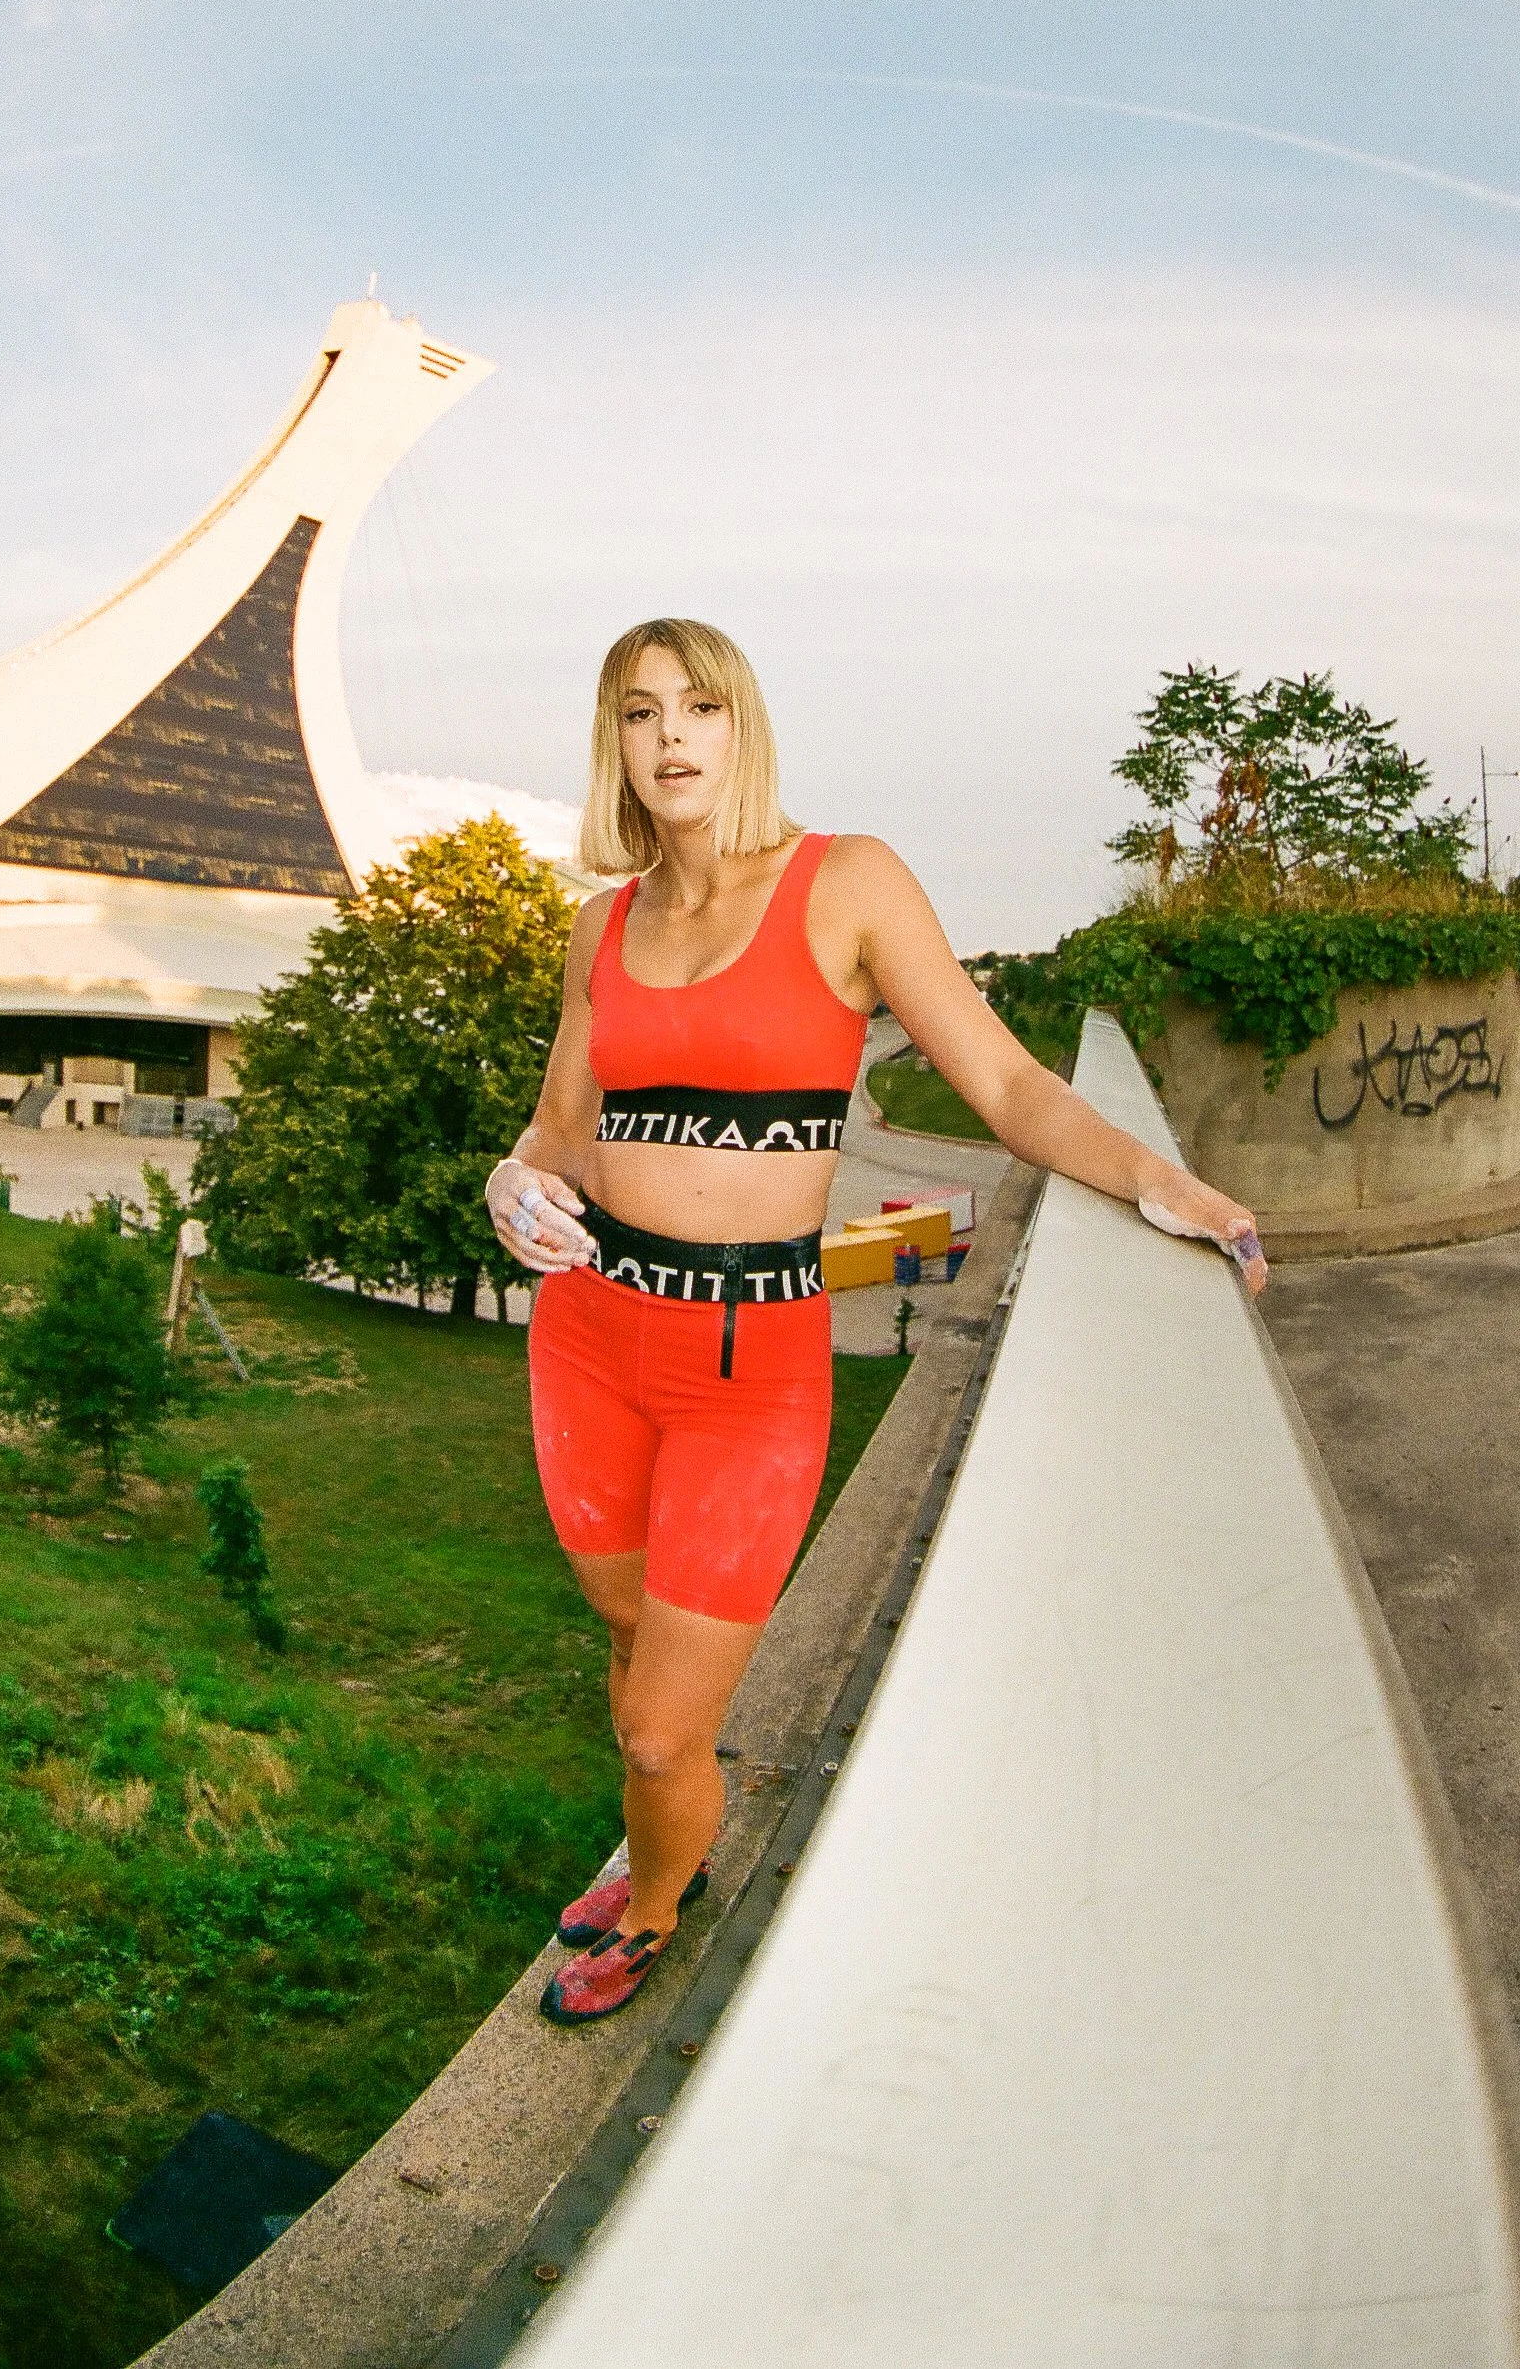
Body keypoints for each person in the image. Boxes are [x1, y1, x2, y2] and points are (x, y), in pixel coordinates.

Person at [487, 618, 1266, 2025]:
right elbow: (556, 1126)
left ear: (742, 725)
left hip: (749, 1367)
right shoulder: (601, 923)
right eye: (640, 712)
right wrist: (510, 1182)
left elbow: (1006, 1086)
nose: (671, 736)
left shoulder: (845, 882)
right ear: (614, 743)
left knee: (658, 1728)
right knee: (626, 1634)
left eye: (700, 706)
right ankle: (662, 1829)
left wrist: (1163, 1181)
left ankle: (659, 1895)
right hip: (592, 1336)